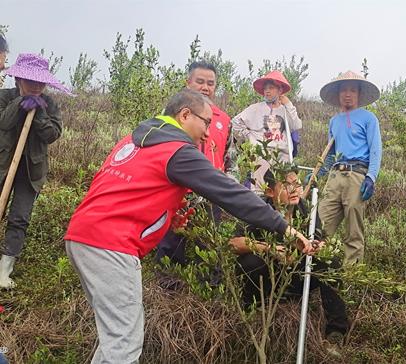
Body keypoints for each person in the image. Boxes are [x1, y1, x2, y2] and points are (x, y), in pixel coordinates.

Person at [64, 89, 314, 363]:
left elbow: (124, 191)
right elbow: (230, 193)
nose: (208, 133)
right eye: (206, 122)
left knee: (113, 337)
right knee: (124, 344)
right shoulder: (178, 150)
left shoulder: (134, 141)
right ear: (184, 115)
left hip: (81, 237)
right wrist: (284, 227)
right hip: (111, 245)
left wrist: (165, 216)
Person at [230, 167, 349, 347]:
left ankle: (336, 331)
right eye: (286, 186)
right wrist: (269, 248)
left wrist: (319, 246)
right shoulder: (258, 209)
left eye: (297, 184)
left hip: (297, 275)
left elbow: (319, 237)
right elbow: (233, 243)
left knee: (331, 261)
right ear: (270, 192)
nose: (294, 190)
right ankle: (253, 311)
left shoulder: (306, 207)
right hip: (268, 277)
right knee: (249, 262)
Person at [0, 54, 69, 289]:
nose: (37, 87)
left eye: (41, 82)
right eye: (31, 81)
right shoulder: (4, 97)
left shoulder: (49, 104)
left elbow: (52, 135)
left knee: (19, 218)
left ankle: (4, 269)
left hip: (31, 171)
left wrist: (39, 114)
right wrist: (19, 105)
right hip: (2, 165)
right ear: (19, 78)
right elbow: (3, 123)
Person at [155, 61, 232, 266]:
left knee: (208, 243)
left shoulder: (223, 119)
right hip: (178, 189)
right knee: (172, 240)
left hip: (210, 192)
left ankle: (206, 287)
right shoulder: (173, 113)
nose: (205, 87)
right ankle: (168, 285)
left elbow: (228, 156)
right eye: (200, 81)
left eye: (210, 83)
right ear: (188, 83)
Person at [317, 71, 382, 265]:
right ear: (338, 94)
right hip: (335, 176)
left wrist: (371, 177)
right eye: (344, 90)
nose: (348, 94)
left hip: (357, 175)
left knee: (353, 230)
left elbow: (376, 150)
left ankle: (350, 277)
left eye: (352, 90)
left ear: (359, 94)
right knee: (319, 224)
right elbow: (330, 153)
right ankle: (315, 271)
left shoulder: (369, 118)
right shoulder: (334, 121)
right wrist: (319, 173)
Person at [232, 70, 302, 189]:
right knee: (260, 190)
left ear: (280, 90)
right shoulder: (255, 109)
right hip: (261, 155)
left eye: (271, 88)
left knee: (283, 192)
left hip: (282, 157)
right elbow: (235, 123)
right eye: (265, 88)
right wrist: (248, 136)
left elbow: (296, 125)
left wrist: (289, 104)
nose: (267, 91)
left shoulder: (285, 111)